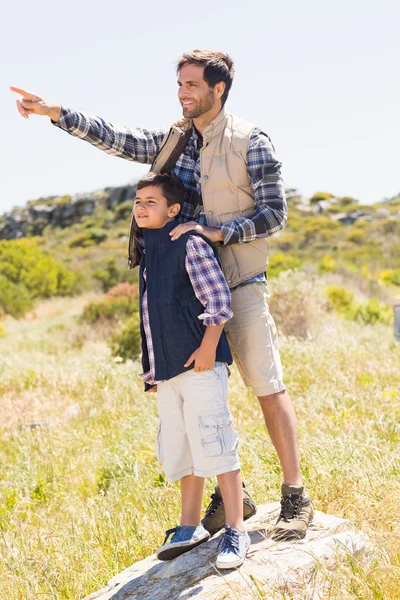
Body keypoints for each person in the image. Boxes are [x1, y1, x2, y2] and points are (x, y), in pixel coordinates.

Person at [10, 49, 314, 540]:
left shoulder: (250, 140)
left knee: (266, 388)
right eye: (179, 86)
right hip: (186, 294)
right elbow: (120, 139)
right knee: (203, 396)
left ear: (219, 89)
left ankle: (295, 497)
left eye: (192, 85)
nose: (183, 94)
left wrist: (218, 233)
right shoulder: (175, 138)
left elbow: (275, 213)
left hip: (239, 282)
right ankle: (231, 500)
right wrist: (58, 114)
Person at [132, 170, 250, 568]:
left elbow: (218, 300)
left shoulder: (190, 244)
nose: (141, 208)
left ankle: (236, 529)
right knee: (180, 447)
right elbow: (151, 317)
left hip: (201, 366)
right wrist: (153, 371)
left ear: (174, 209)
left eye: (151, 202)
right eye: (138, 202)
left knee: (214, 442)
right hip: (168, 373)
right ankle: (189, 526)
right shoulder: (149, 253)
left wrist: (206, 349)